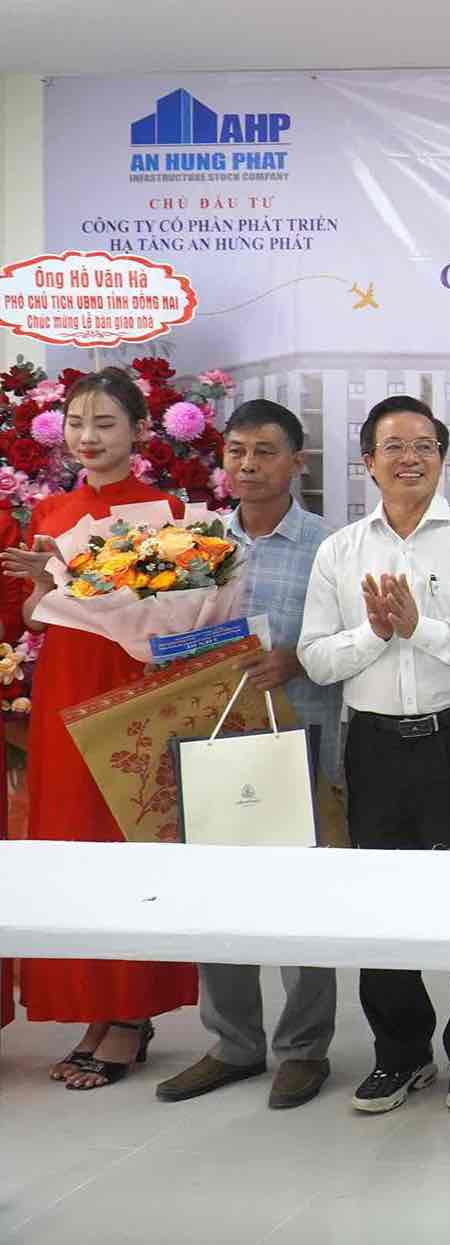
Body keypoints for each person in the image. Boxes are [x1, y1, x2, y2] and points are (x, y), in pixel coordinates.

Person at [298, 395, 450, 1115]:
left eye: (425, 445)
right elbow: (316, 657)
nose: (410, 458)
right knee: (381, 904)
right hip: (374, 745)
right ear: (368, 462)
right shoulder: (341, 551)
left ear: (442, 458)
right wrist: (374, 632)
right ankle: (400, 1053)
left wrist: (420, 628)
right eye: (393, 446)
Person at [0, 368, 195, 1090]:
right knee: (72, 844)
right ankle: (94, 1008)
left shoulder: (166, 509)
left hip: (132, 689)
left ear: (140, 430)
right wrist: (46, 584)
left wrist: (90, 583)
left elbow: (178, 615)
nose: (88, 436)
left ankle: (131, 1014)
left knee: (126, 843)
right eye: (77, 423)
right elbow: (32, 618)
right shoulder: (52, 508)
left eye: (106, 423)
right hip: (63, 689)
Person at [154, 399, 343, 1110]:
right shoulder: (192, 542)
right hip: (213, 741)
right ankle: (233, 1044)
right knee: (217, 894)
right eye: (236, 450)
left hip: (301, 739)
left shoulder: (331, 546)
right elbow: (162, 632)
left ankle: (304, 1048)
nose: (249, 464)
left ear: (297, 462)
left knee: (303, 900)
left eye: (266, 451)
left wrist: (298, 659)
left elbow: (356, 642)